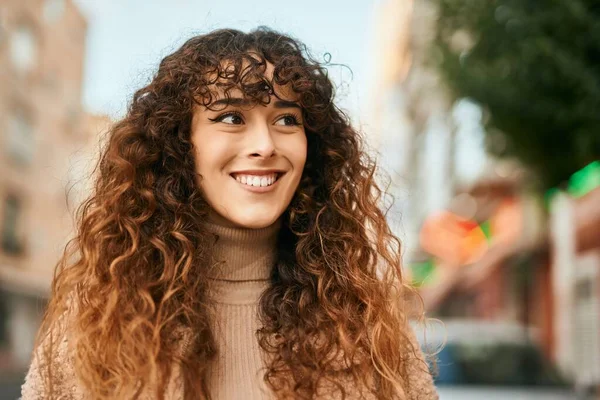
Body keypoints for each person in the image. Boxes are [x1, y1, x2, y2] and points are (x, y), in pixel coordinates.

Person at [21, 27, 438, 400]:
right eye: (231, 116)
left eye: (287, 120)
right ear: (181, 142)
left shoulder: (367, 325)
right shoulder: (97, 320)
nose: (265, 144)